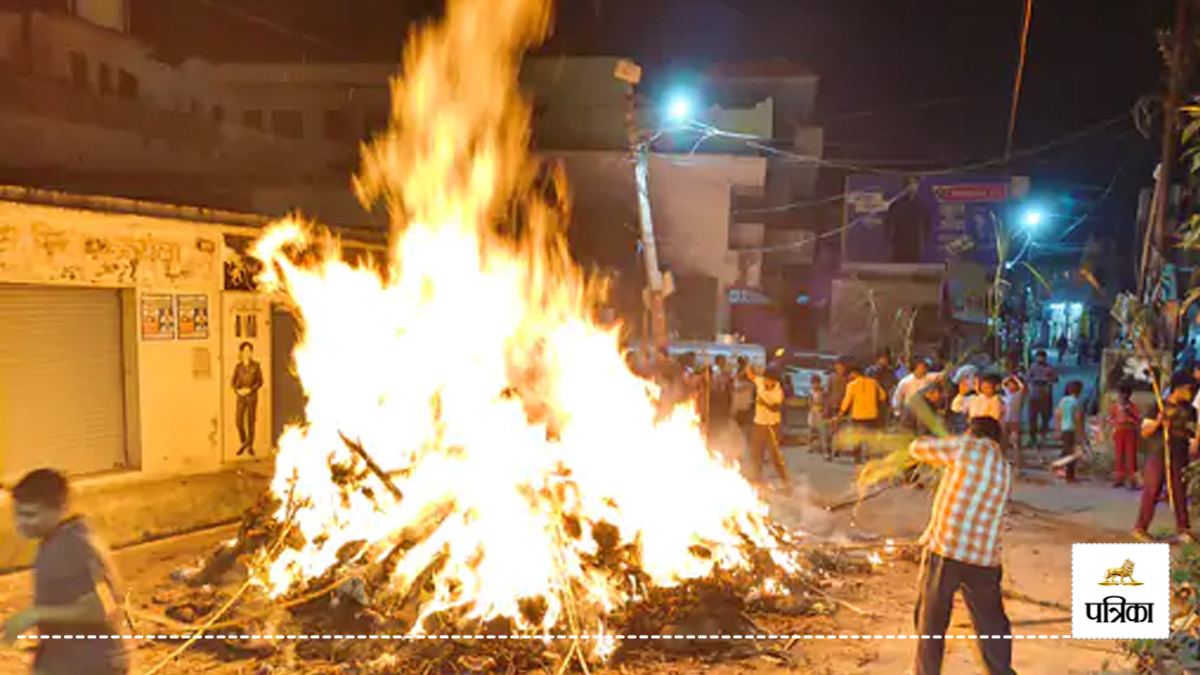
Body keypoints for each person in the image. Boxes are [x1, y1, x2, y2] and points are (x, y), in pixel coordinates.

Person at [907, 417, 1016, 675]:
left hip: (947, 549)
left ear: (972, 433)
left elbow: (918, 448)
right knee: (991, 624)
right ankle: (1001, 670)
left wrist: (942, 440)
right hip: (985, 558)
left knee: (931, 620)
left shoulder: (966, 447)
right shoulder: (1005, 467)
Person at [3, 469, 130, 675]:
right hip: (68, 658)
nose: (20, 523)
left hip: (91, 662)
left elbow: (101, 608)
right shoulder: (55, 540)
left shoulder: (75, 545)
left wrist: (35, 615)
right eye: (17, 514)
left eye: (30, 515)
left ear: (60, 508)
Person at [1134, 373, 1197, 543]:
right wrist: (1159, 422)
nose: (1192, 393)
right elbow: (1145, 432)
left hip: (1179, 454)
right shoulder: (1158, 407)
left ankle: (1183, 528)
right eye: (1190, 389)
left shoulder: (1190, 411)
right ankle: (1141, 528)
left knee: (1179, 492)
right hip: (1158, 453)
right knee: (1152, 490)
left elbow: (1192, 433)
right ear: (1179, 388)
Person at [745, 366, 791, 493]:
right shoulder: (760, 381)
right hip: (759, 424)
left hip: (772, 425)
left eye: (769, 380)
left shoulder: (778, 392)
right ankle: (757, 481)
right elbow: (751, 376)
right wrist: (748, 367)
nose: (766, 382)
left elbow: (774, 408)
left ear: (775, 381)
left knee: (775, 456)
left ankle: (786, 482)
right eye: (765, 379)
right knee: (756, 454)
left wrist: (763, 400)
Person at [838, 365, 887, 465]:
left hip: (858, 416)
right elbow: (883, 396)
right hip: (872, 416)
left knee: (857, 439)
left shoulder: (851, 385)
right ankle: (870, 459)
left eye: (850, 374)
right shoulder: (874, 383)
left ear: (854, 373)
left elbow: (847, 401)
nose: (849, 376)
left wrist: (841, 413)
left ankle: (858, 460)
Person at [884, 176, 929, 264]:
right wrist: (890, 241)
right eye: (910, 184)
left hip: (915, 249)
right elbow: (888, 226)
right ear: (905, 187)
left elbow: (926, 227)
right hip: (899, 249)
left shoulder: (922, 207)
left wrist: (922, 242)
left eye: (915, 183)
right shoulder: (896, 206)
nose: (913, 187)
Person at [893, 359, 946, 432]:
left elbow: (940, 375)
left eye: (925, 367)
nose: (924, 369)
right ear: (917, 367)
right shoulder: (905, 381)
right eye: (922, 367)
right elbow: (897, 396)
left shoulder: (928, 377)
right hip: (911, 408)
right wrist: (897, 411)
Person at [232, 341, 264, 457]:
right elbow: (233, 382)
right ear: (241, 353)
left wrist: (251, 389)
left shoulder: (256, 366)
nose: (247, 353)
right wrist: (238, 391)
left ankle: (250, 445)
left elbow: (260, 381)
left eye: (249, 351)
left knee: (251, 421)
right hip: (241, 397)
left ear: (251, 353)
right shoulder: (238, 367)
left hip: (251, 396)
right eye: (245, 351)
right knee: (239, 421)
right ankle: (244, 441)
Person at [1108, 384, 1141, 490]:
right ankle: (1119, 478)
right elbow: (1111, 418)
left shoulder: (1132, 406)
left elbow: (1138, 419)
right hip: (1119, 431)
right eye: (1122, 394)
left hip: (1130, 431)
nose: (1123, 396)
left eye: (1126, 394)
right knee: (1119, 455)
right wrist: (1113, 427)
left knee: (1130, 455)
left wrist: (1129, 414)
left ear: (1129, 395)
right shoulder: (1115, 406)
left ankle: (1131, 479)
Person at [1052, 380, 1085, 482]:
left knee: (1066, 451)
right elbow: (1078, 418)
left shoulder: (1063, 400)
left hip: (1064, 428)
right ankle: (1069, 475)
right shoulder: (1076, 401)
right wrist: (1081, 432)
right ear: (1078, 391)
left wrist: (1057, 429)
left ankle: (1062, 470)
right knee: (1071, 454)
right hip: (1072, 429)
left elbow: (1057, 415)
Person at [1026, 350, 1058, 450]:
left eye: (1042, 357)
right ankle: (1033, 438)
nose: (1040, 359)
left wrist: (1047, 380)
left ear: (1045, 358)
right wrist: (1035, 381)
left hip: (1046, 396)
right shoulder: (1032, 367)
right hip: (1034, 396)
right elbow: (1027, 378)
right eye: (1038, 357)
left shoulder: (1050, 368)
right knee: (1032, 419)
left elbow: (1056, 379)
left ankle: (1042, 435)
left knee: (1046, 416)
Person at [824, 360, 850, 462]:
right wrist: (826, 407)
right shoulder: (831, 377)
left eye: (842, 367)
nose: (840, 369)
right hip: (833, 407)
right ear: (835, 367)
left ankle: (837, 449)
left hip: (844, 408)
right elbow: (827, 392)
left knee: (840, 430)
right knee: (831, 430)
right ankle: (828, 451)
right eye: (838, 367)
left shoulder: (848, 379)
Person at [1000, 374, 1025, 474]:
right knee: (1003, 443)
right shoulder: (1005, 395)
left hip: (1015, 421)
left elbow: (1022, 386)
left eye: (1013, 385)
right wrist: (1009, 378)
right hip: (1004, 420)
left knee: (1016, 443)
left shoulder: (1018, 395)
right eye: (1009, 385)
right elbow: (1002, 384)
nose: (1011, 387)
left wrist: (1015, 378)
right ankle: (1002, 463)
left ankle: (1018, 466)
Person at [731, 356, 756, 442]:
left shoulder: (746, 373)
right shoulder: (739, 373)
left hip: (744, 401)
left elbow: (752, 384)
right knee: (741, 422)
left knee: (745, 422)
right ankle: (741, 439)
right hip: (741, 401)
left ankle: (744, 439)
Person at [707, 354, 733, 438]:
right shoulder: (713, 370)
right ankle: (713, 434)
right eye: (721, 361)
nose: (723, 362)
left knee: (722, 417)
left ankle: (721, 434)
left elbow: (729, 385)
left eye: (724, 361)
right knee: (715, 417)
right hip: (714, 398)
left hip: (723, 399)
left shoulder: (727, 371)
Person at [807, 374, 828, 455]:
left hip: (820, 413)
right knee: (811, 431)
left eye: (817, 383)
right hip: (812, 413)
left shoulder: (823, 392)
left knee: (822, 432)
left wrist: (823, 409)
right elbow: (809, 403)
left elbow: (825, 402)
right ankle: (810, 446)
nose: (815, 385)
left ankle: (825, 449)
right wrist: (814, 406)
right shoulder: (810, 392)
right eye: (813, 383)